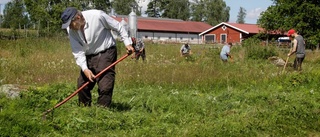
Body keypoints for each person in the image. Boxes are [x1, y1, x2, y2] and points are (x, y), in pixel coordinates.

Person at [60, 7, 134, 107]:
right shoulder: (71, 30)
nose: (69, 27)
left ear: (77, 18)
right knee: (82, 86)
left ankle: (101, 113)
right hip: (88, 55)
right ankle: (85, 110)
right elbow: (78, 51)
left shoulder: (97, 16)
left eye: (70, 24)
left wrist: (127, 43)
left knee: (105, 86)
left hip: (106, 52)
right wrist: (85, 69)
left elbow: (119, 27)